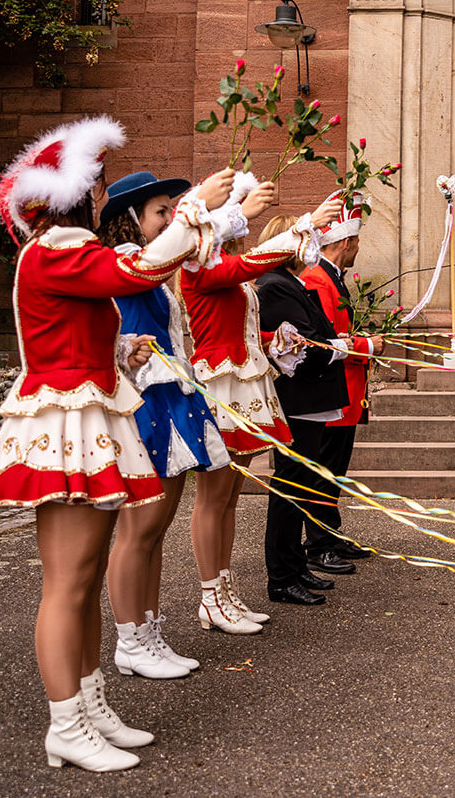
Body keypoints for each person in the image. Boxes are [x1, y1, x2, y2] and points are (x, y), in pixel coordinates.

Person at [0, 116, 232, 771]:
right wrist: (197, 208)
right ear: (73, 193)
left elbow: (78, 321)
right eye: (95, 185)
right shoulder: (60, 247)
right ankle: (66, 720)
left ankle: (89, 705)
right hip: (67, 421)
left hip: (82, 412)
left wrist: (119, 348)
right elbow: (142, 267)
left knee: (84, 578)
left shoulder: (57, 249)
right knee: (67, 583)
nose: (100, 195)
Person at [95, 171, 268, 678]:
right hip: (146, 404)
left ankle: (149, 629)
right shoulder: (125, 265)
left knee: (156, 527)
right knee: (138, 528)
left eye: (172, 209)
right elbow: (116, 341)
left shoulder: (148, 270)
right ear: (130, 222)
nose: (169, 218)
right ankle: (130, 636)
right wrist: (204, 208)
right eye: (159, 212)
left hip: (173, 399)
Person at [179, 196, 334, 632]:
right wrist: (305, 224)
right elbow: (249, 266)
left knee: (229, 497)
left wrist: (273, 340)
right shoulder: (198, 267)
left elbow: (239, 324)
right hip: (219, 384)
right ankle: (210, 596)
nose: (240, 228)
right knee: (212, 498)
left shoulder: (223, 266)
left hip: (245, 379)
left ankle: (226, 592)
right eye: (231, 222)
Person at [256, 217, 351, 606]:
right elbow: (301, 350)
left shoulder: (290, 283)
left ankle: (295, 565)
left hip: (311, 401)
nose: (315, 245)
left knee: (301, 485)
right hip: (298, 400)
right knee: (289, 487)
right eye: (308, 239)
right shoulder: (276, 286)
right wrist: (348, 346)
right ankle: (281, 576)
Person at [300, 194, 382, 571]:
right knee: (324, 470)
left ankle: (330, 533)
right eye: (357, 242)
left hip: (347, 389)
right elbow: (325, 338)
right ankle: (318, 545)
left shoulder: (332, 277)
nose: (358, 248)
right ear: (346, 242)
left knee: (336, 471)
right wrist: (367, 345)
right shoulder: (317, 279)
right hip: (333, 390)